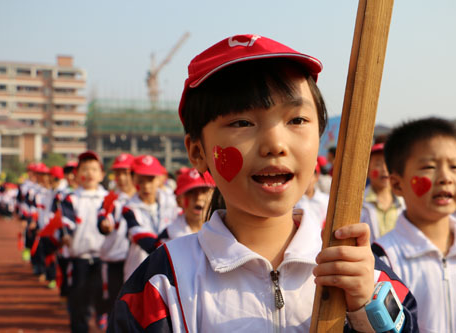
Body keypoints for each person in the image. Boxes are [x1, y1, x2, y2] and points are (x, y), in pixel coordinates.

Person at [108, 34, 417, 332]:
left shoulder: (360, 270)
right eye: (242, 123)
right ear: (197, 152)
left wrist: (366, 311)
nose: (275, 144)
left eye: (296, 120)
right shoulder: (161, 285)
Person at [373, 117, 456, 332]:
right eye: (429, 166)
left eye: (455, 166)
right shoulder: (383, 261)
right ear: (397, 184)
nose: (445, 177)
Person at [61, 150, 108, 332]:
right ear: (77, 174)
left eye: (94, 169)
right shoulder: (70, 199)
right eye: (85, 169)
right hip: (79, 259)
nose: (89, 173)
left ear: (101, 174)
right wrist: (65, 235)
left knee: (104, 302)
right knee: (79, 302)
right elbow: (67, 223)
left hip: (103, 260)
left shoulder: (108, 198)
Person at [121, 155, 179, 281]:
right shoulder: (129, 208)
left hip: (170, 269)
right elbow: (143, 239)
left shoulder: (172, 203)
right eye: (141, 180)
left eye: (151, 179)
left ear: (160, 179)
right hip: (140, 270)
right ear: (133, 179)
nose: (146, 186)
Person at [97, 153, 137, 319]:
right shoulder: (111, 199)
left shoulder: (142, 199)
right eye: (118, 173)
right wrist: (104, 225)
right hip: (116, 259)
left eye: (126, 173)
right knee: (115, 301)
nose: (121, 178)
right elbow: (102, 220)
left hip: (137, 260)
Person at [360, 143, 405, 243]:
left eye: (388, 164)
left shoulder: (405, 203)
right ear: (367, 170)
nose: (384, 169)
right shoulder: (358, 204)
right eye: (378, 164)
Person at [157, 168, 215, 243]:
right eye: (191, 192)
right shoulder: (167, 237)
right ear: (178, 200)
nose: (199, 197)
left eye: (204, 191)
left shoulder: (225, 230)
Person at [294, 162, 329, 229]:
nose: (306, 179)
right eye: (302, 175)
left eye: (309, 175)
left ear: (317, 177)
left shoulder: (326, 200)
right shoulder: (292, 202)